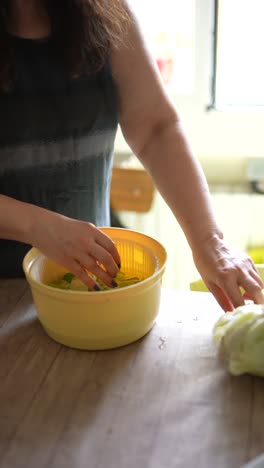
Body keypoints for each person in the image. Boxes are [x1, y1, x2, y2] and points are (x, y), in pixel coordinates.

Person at [0, 0, 263, 311]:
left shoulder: (106, 10)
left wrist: (209, 242)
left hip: (83, 290)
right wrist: (37, 226)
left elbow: (156, 129)